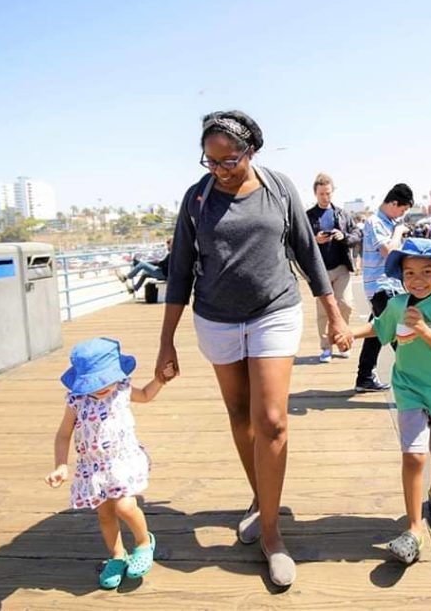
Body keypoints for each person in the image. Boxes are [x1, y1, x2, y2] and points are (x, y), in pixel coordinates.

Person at [156, 110, 353, 588]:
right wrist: (166, 341)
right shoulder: (196, 199)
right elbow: (180, 270)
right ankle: (260, 496)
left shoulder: (279, 188)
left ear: (252, 152)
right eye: (211, 160)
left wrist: (332, 314)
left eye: (230, 159)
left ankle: (271, 534)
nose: (220, 169)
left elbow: (307, 253)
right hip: (216, 318)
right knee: (240, 415)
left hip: (274, 311)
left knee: (273, 420)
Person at [351, 238, 431, 565]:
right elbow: (381, 329)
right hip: (409, 389)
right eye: (409, 272)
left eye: (426, 271)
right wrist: (350, 334)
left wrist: (423, 329)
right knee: (414, 456)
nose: (417, 279)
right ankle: (413, 528)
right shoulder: (397, 305)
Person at [45, 337, 174, 589]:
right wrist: (61, 465)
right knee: (105, 514)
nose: (103, 387)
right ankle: (117, 555)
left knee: (125, 507)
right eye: (95, 383)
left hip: (121, 461)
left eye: (106, 380)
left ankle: (143, 543)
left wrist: (161, 379)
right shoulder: (76, 400)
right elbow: (63, 435)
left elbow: (146, 395)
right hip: (93, 468)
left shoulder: (122, 389)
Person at [355, 183, 414, 392]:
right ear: (394, 203)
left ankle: (364, 377)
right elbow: (388, 250)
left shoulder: (388, 221)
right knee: (402, 336)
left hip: (389, 286)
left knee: (377, 334)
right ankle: (416, 382)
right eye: (403, 209)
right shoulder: (376, 221)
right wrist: (398, 231)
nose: (403, 214)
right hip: (382, 287)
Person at [306, 173, 361, 363]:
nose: (325, 197)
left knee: (346, 304)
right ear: (315, 193)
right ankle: (326, 347)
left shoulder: (342, 214)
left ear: (333, 192)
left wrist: (343, 236)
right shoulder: (308, 216)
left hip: (341, 267)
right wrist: (315, 239)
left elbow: (356, 235)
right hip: (319, 270)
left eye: (328, 193)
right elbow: (299, 242)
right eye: (321, 194)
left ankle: (342, 340)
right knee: (323, 311)